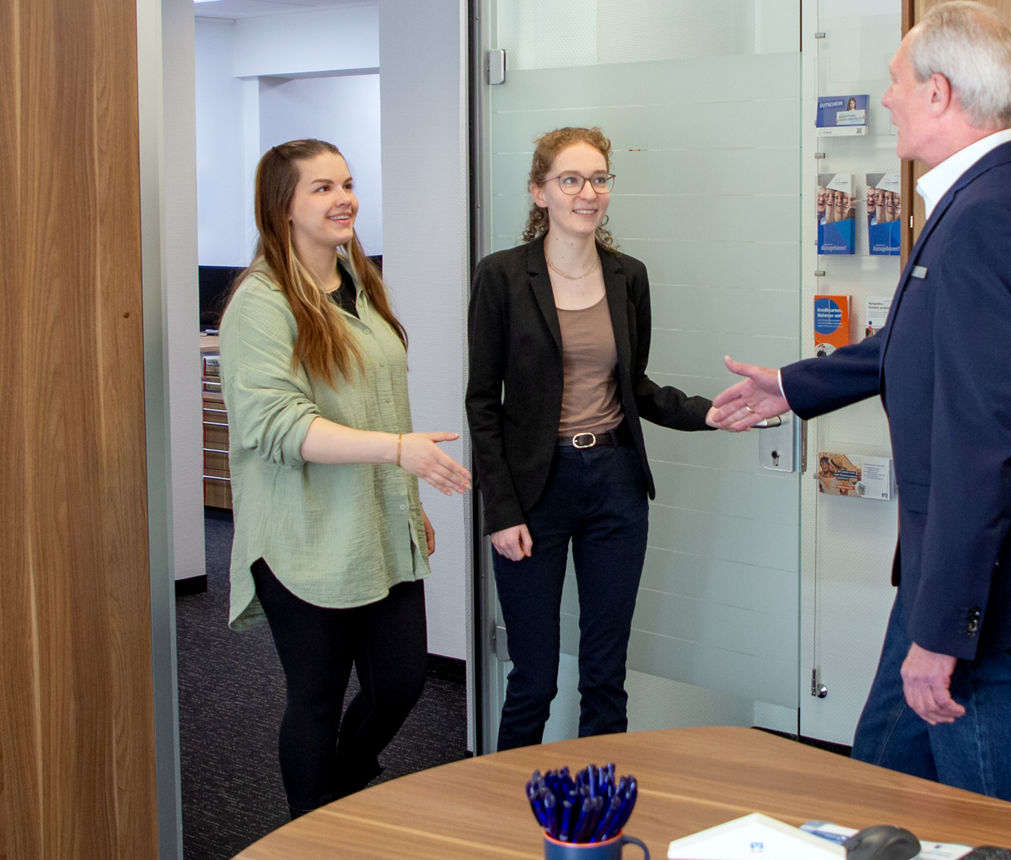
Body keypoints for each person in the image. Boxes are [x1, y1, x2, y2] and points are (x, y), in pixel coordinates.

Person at [709, 1, 1011, 810]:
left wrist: (943, 632)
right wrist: (792, 385)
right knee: (878, 791)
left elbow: (979, 442)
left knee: (997, 827)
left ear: (938, 93)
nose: (886, 97)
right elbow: (921, 344)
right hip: (949, 577)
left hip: (976, 594)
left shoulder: (989, 220)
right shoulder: (999, 198)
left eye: (895, 82)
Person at [219, 139, 472, 818]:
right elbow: (276, 424)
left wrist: (406, 497)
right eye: (322, 188)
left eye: (348, 184)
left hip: (378, 526)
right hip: (302, 536)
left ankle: (340, 788)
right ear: (284, 207)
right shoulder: (261, 303)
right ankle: (310, 827)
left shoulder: (361, 284)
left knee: (400, 684)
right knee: (317, 696)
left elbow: (383, 405)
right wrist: (397, 451)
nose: (344, 199)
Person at [466, 126, 717, 751]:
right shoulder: (501, 277)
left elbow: (637, 387)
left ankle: (599, 817)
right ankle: (506, 818)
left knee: (605, 675)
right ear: (539, 191)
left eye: (599, 179)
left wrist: (710, 413)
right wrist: (500, 510)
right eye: (570, 179)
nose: (588, 192)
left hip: (614, 484)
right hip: (533, 491)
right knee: (535, 677)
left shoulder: (628, 277)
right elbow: (482, 402)